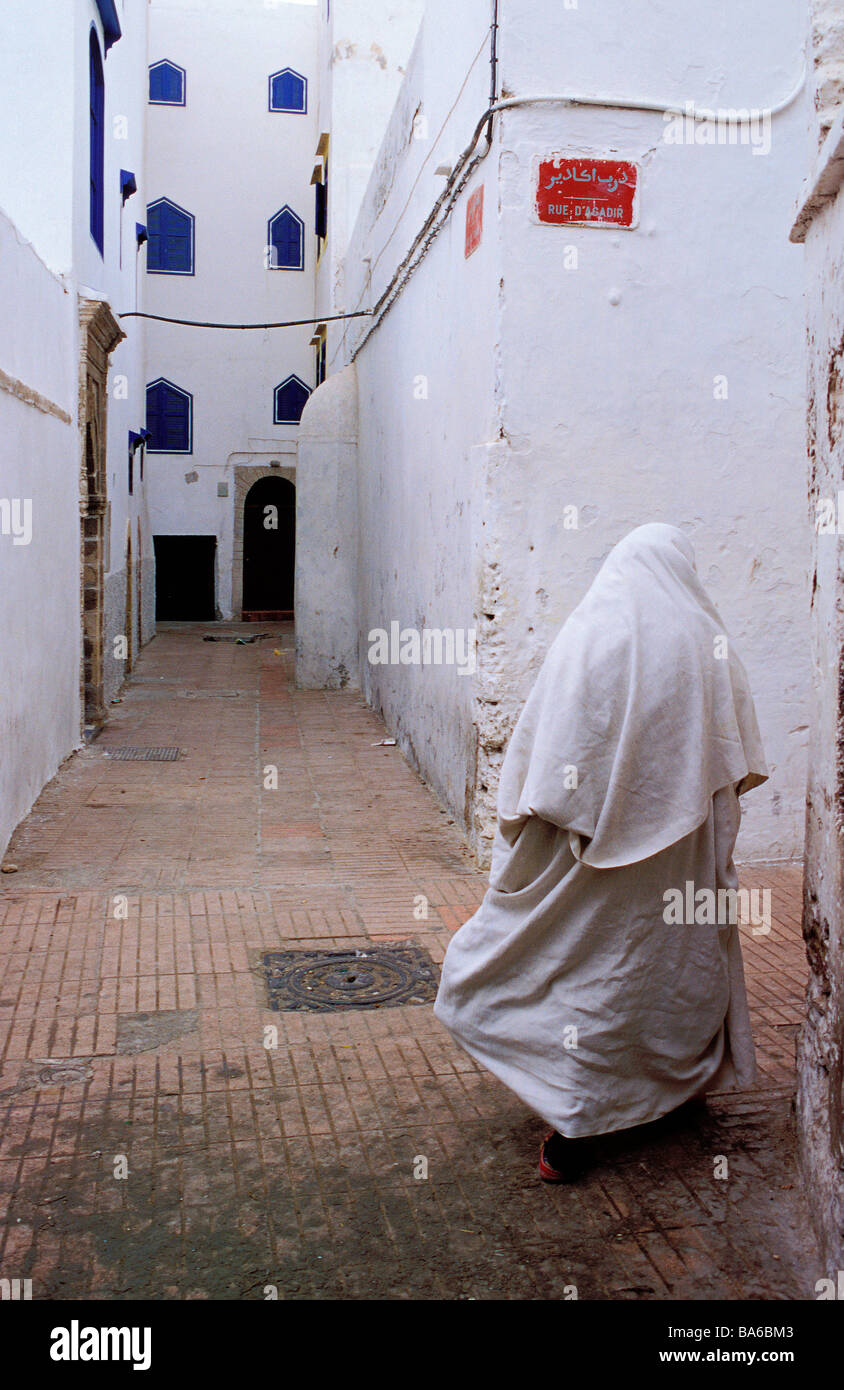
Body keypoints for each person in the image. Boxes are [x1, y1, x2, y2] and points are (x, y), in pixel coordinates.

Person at [433, 523, 768, 1182]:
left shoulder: (596, 634)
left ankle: (575, 1129)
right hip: (682, 866)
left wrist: (564, 823)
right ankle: (662, 1093)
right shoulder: (710, 642)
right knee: (658, 982)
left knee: (588, 984)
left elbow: (559, 754)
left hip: (597, 862)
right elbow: (732, 768)